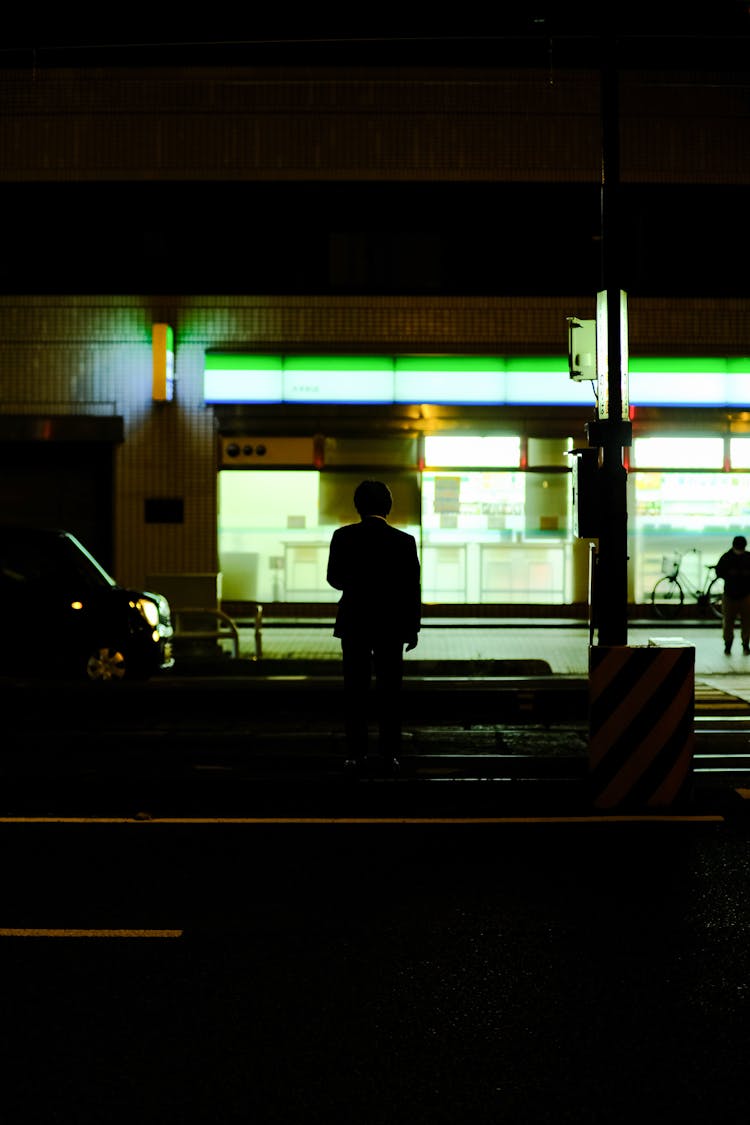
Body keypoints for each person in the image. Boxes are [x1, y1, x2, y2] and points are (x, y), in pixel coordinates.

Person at [326, 480, 421, 774]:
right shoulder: (404, 541)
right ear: (388, 507)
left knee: (355, 691)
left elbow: (334, 579)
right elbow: (411, 589)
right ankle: (390, 755)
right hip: (391, 625)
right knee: (389, 693)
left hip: (354, 622)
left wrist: (358, 584)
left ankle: (356, 755)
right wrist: (412, 628)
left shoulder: (343, 537)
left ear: (358, 506)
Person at [715, 535, 750, 655]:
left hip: (730, 594)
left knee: (728, 622)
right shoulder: (748, 557)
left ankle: (728, 646)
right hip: (744, 595)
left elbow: (718, 572)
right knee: (746, 622)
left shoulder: (726, 557)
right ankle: (745, 645)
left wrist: (729, 575)